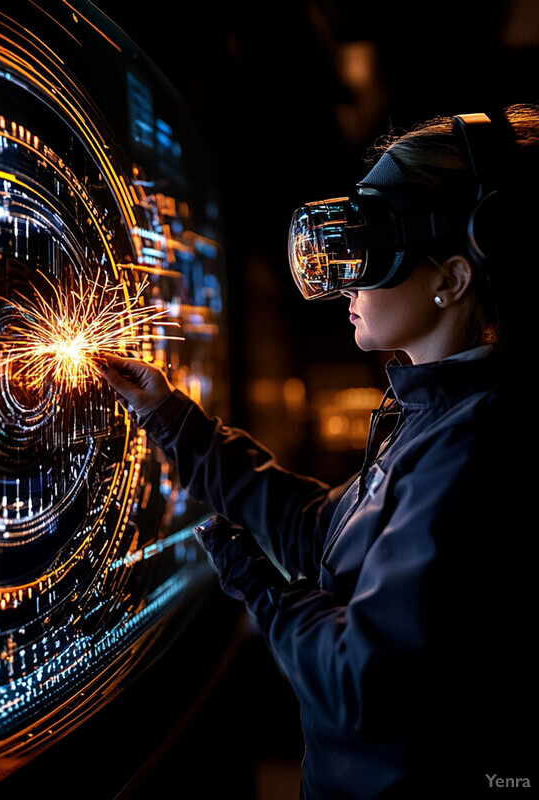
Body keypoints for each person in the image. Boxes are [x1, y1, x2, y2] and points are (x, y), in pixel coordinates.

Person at [98, 105, 537, 798]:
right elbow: (321, 534)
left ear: (452, 277)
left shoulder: (476, 445)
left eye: (371, 247)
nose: (346, 280)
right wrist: (168, 416)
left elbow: (363, 683)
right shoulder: (435, 413)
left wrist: (266, 595)